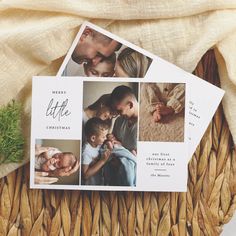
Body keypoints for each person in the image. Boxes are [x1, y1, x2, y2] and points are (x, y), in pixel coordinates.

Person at [82, 117, 111, 185]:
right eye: (103, 137)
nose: (105, 138)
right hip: (91, 185)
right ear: (93, 138)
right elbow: (85, 175)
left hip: (100, 181)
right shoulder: (86, 152)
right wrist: (102, 161)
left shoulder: (97, 143)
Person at [110, 85, 138, 156]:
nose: (118, 114)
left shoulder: (147, 124)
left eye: (119, 110)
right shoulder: (119, 121)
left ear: (130, 105)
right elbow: (115, 142)